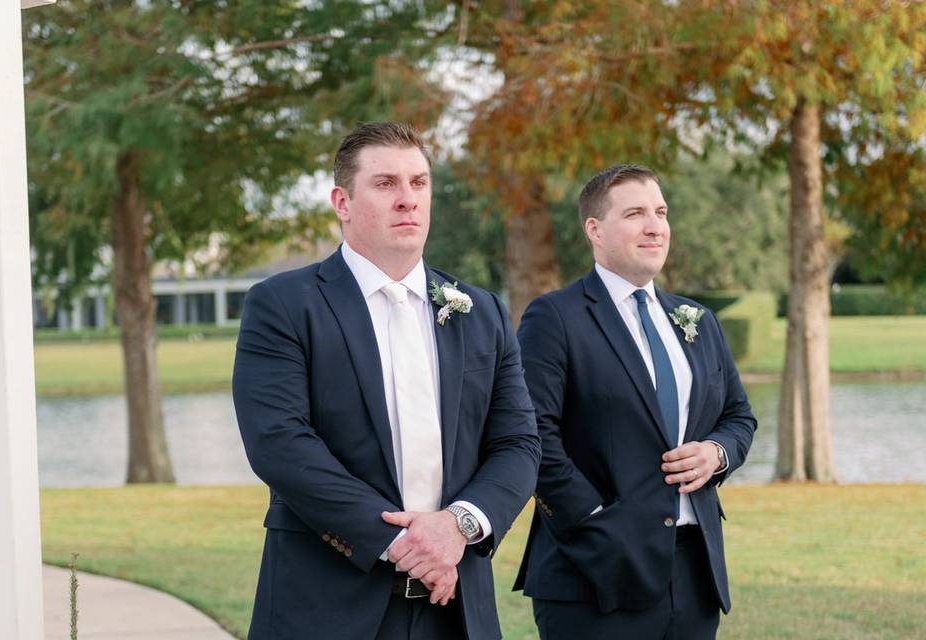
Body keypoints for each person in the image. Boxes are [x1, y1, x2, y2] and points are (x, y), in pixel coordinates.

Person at [232, 122, 540, 640]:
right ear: (342, 202)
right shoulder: (284, 305)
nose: (407, 200)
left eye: (419, 183)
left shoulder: (480, 311)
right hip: (327, 608)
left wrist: (458, 526)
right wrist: (405, 546)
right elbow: (280, 444)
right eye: (385, 184)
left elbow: (518, 443)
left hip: (458, 608)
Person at [513, 164, 757, 639]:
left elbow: (738, 416)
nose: (655, 226)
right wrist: (594, 521)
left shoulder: (697, 320)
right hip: (594, 572)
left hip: (694, 570)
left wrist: (717, 453)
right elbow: (533, 434)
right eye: (635, 213)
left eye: (661, 212)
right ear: (595, 229)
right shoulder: (555, 317)